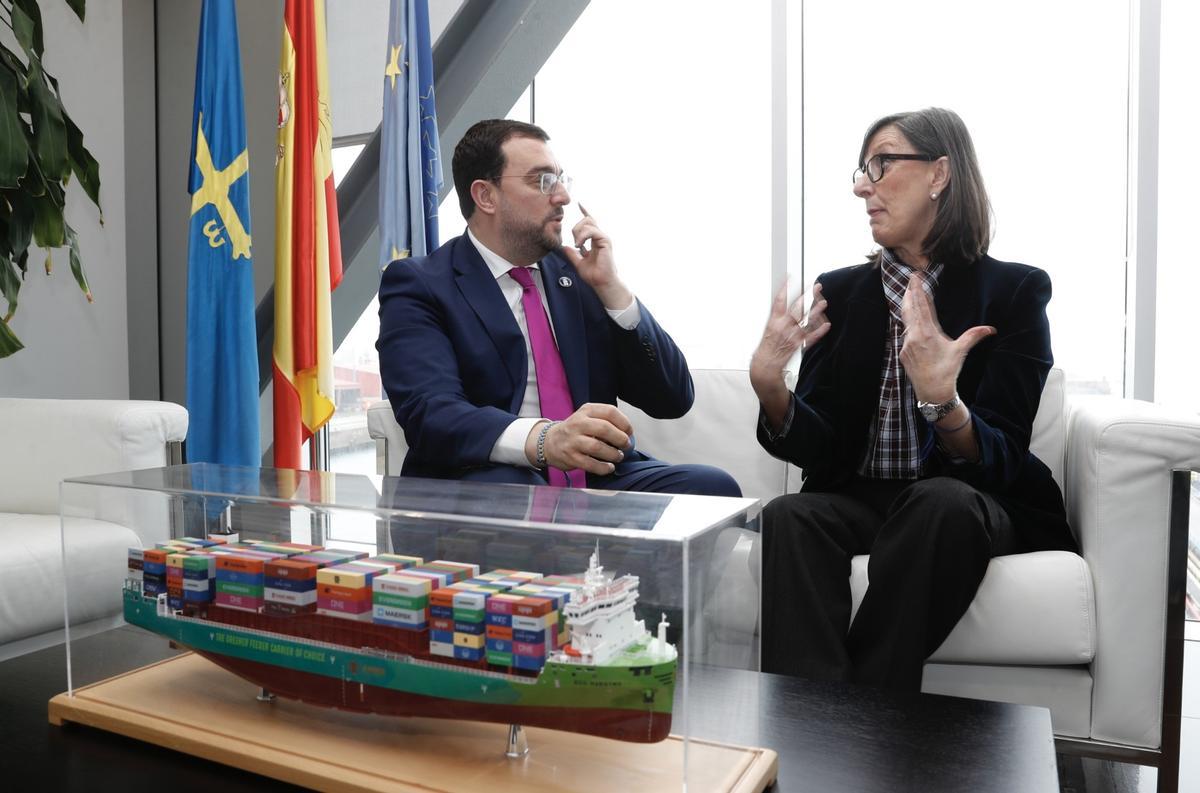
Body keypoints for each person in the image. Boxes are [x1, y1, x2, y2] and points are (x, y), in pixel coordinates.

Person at [749, 108, 1077, 691]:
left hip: (968, 502)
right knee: (789, 516)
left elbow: (1002, 454)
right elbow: (820, 449)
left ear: (939, 174)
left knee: (939, 502)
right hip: (862, 499)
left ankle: (858, 709)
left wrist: (942, 403)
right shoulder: (843, 291)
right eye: (861, 169)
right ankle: (809, 719)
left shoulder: (1014, 291)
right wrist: (773, 389)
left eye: (881, 163)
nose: (860, 186)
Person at [377, 119, 739, 497]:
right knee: (520, 497)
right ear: (486, 196)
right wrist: (544, 440)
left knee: (713, 488)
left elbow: (673, 398)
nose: (563, 196)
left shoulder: (577, 274)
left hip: (595, 473)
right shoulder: (421, 284)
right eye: (543, 181)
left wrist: (613, 290)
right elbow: (431, 413)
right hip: (486, 476)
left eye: (561, 179)